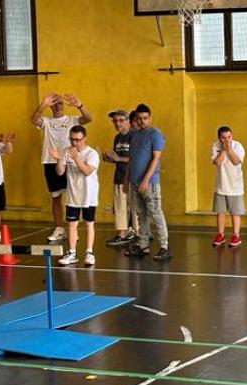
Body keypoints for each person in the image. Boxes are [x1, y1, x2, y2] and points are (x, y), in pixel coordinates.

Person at [30, 92, 92, 243]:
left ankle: (73, 229)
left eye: (60, 103)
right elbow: (33, 119)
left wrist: (79, 105)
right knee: (56, 197)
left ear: (63, 105)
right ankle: (59, 228)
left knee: (73, 197)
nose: (57, 106)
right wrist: (43, 104)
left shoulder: (72, 119)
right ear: (50, 106)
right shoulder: (46, 120)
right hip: (50, 162)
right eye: (54, 103)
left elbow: (88, 119)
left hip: (70, 161)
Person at [126, 103, 171, 261]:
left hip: (149, 183)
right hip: (134, 182)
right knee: (141, 214)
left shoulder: (155, 134)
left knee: (156, 213)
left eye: (145, 118)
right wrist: (127, 180)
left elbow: (156, 158)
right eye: (139, 118)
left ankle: (164, 246)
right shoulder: (134, 135)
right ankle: (143, 245)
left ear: (150, 118)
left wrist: (145, 179)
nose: (142, 121)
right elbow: (131, 159)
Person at [51, 125, 99, 266]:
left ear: (84, 138)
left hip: (88, 195)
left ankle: (89, 253)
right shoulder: (66, 151)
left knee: (89, 224)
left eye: (78, 140)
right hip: (73, 194)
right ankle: (72, 253)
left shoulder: (92, 154)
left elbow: (87, 171)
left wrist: (76, 158)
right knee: (72, 225)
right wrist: (59, 159)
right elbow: (60, 172)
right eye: (72, 139)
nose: (74, 143)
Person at [102, 108, 136, 247]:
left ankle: (139, 236)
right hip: (119, 177)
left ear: (128, 121)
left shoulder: (134, 136)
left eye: (121, 120)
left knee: (136, 209)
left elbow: (137, 158)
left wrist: (119, 158)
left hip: (133, 178)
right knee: (120, 208)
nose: (118, 123)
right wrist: (109, 159)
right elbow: (118, 158)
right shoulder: (117, 137)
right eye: (115, 121)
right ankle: (122, 235)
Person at [210, 125, 245, 248]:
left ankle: (236, 236)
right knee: (220, 212)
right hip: (221, 185)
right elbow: (217, 162)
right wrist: (224, 150)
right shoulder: (215, 146)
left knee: (235, 213)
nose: (227, 140)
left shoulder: (238, 146)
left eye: (229, 137)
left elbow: (236, 161)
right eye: (224, 138)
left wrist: (229, 149)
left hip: (235, 186)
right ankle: (220, 234)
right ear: (219, 138)